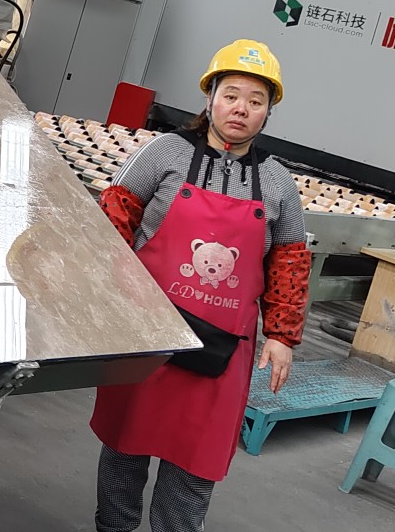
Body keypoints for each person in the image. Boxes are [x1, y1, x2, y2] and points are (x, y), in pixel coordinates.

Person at [89, 39, 311, 532]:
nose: (241, 109)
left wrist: (281, 335)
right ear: (210, 97)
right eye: (231, 95)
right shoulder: (165, 152)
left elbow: (290, 261)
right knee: (125, 448)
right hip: (148, 335)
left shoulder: (278, 183)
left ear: (268, 112)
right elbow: (114, 216)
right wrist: (110, 295)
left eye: (255, 101)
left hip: (222, 352)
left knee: (195, 465)